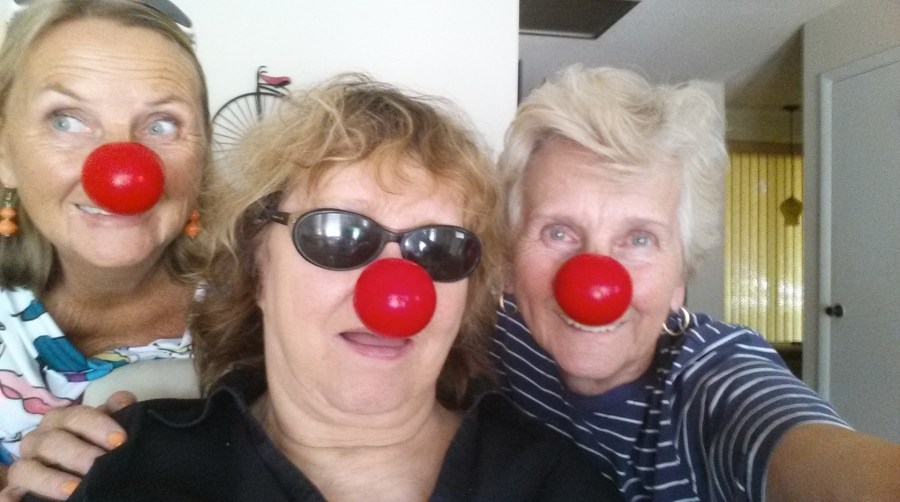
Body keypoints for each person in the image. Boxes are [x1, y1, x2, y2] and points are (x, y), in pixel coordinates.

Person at [18, 75, 620, 501]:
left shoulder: (556, 483)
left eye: (438, 246)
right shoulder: (126, 468)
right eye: (338, 234)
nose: (395, 290)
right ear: (257, 267)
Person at [492, 64, 900, 501]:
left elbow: (803, 445)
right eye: (557, 232)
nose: (594, 283)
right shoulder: (497, 337)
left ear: (680, 280)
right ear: (510, 260)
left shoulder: (714, 379)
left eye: (640, 239)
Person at [0, 0, 208, 489]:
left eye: (161, 124)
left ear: (202, 159)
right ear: (5, 153)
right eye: (65, 120)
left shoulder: (265, 308)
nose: (119, 172)